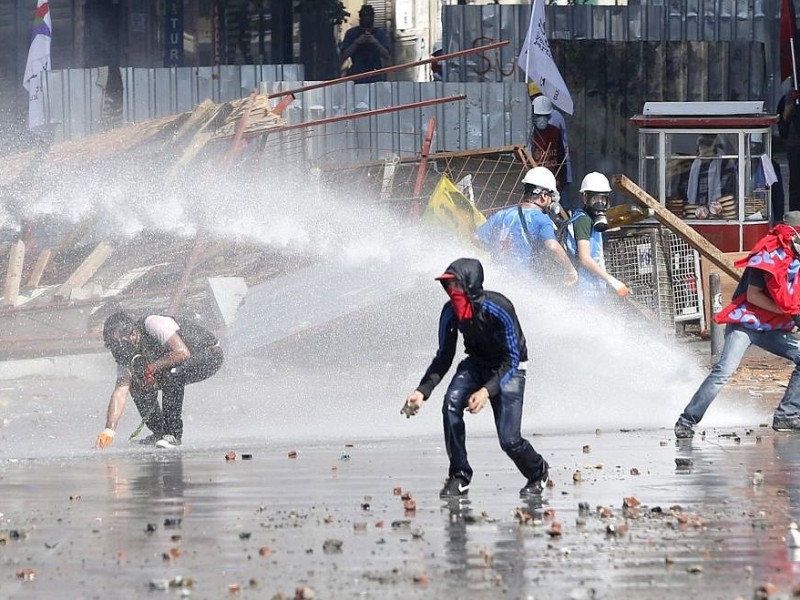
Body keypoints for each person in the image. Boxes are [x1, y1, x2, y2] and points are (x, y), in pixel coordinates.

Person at [401, 257, 550, 499]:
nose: (452, 292)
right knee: (450, 405)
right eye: (448, 286)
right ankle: (460, 475)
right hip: (476, 363)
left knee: (509, 441)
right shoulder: (450, 313)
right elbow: (444, 357)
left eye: (456, 285)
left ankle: (538, 472)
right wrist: (422, 391)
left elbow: (512, 359)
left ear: (470, 285)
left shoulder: (500, 308)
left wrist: (486, 391)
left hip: (510, 367)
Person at [674, 211, 800, 439]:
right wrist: (788, 312)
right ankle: (687, 420)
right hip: (746, 325)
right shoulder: (767, 256)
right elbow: (753, 296)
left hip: (771, 328)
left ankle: (786, 415)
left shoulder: (794, 261)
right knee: (724, 371)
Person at [95, 311, 224, 449]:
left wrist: (151, 368)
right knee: (136, 384)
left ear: (132, 333)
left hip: (209, 354)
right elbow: (120, 392)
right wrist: (109, 430)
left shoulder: (152, 323)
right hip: (174, 363)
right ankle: (159, 432)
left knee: (172, 374)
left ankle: (172, 435)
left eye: (121, 344)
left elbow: (182, 353)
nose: (120, 350)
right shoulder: (125, 354)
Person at [476, 166, 577, 286]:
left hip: (498, 282)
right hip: (524, 285)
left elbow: (476, 238)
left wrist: (497, 249)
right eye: (551, 197)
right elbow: (552, 246)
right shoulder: (541, 219)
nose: (551, 202)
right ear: (544, 196)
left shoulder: (501, 215)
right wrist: (571, 271)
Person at [561, 172, 630, 298]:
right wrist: (612, 281)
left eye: (603, 198)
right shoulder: (583, 220)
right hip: (584, 287)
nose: (600, 203)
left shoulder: (590, 219)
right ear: (585, 198)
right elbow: (585, 257)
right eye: (595, 199)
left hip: (592, 285)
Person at [528, 82, 572, 207]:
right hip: (539, 171)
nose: (538, 100)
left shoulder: (556, 118)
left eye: (539, 95)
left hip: (557, 169)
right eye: (534, 97)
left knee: (562, 206)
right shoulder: (529, 120)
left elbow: (563, 149)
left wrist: (563, 175)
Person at [340, 4, 391, 83]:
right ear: (360, 17)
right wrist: (357, 42)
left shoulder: (380, 33)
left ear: (373, 17)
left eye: (369, 15)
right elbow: (344, 55)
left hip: (376, 74)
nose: (367, 17)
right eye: (364, 15)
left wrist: (375, 42)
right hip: (357, 74)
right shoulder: (352, 33)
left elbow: (387, 55)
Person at [529, 95, 567, 193]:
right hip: (534, 183)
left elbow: (561, 158)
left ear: (549, 116)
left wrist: (561, 181)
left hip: (553, 183)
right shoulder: (528, 135)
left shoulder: (555, 132)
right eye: (538, 116)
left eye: (545, 116)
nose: (542, 119)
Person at [686, 134, 737, 206]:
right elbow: (689, 188)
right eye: (701, 148)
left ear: (714, 148)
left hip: (720, 206)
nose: (704, 151)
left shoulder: (725, 163)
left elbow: (729, 187)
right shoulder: (695, 164)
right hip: (697, 206)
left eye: (707, 149)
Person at [777, 89, 800, 213]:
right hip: (795, 146)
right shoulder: (789, 97)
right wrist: (789, 109)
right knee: (796, 184)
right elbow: (782, 128)